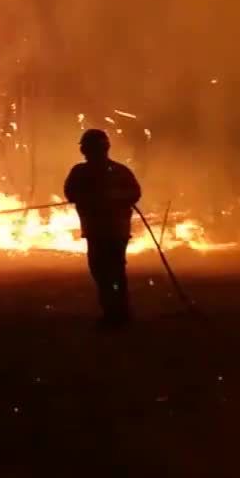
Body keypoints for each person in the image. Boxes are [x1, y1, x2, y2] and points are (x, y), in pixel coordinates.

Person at [64, 128, 142, 329]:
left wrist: (110, 197)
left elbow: (134, 193)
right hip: (105, 231)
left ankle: (116, 313)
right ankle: (116, 311)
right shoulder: (92, 171)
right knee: (107, 271)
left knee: (107, 271)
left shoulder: (111, 171)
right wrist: (91, 196)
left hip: (108, 231)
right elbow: (71, 194)